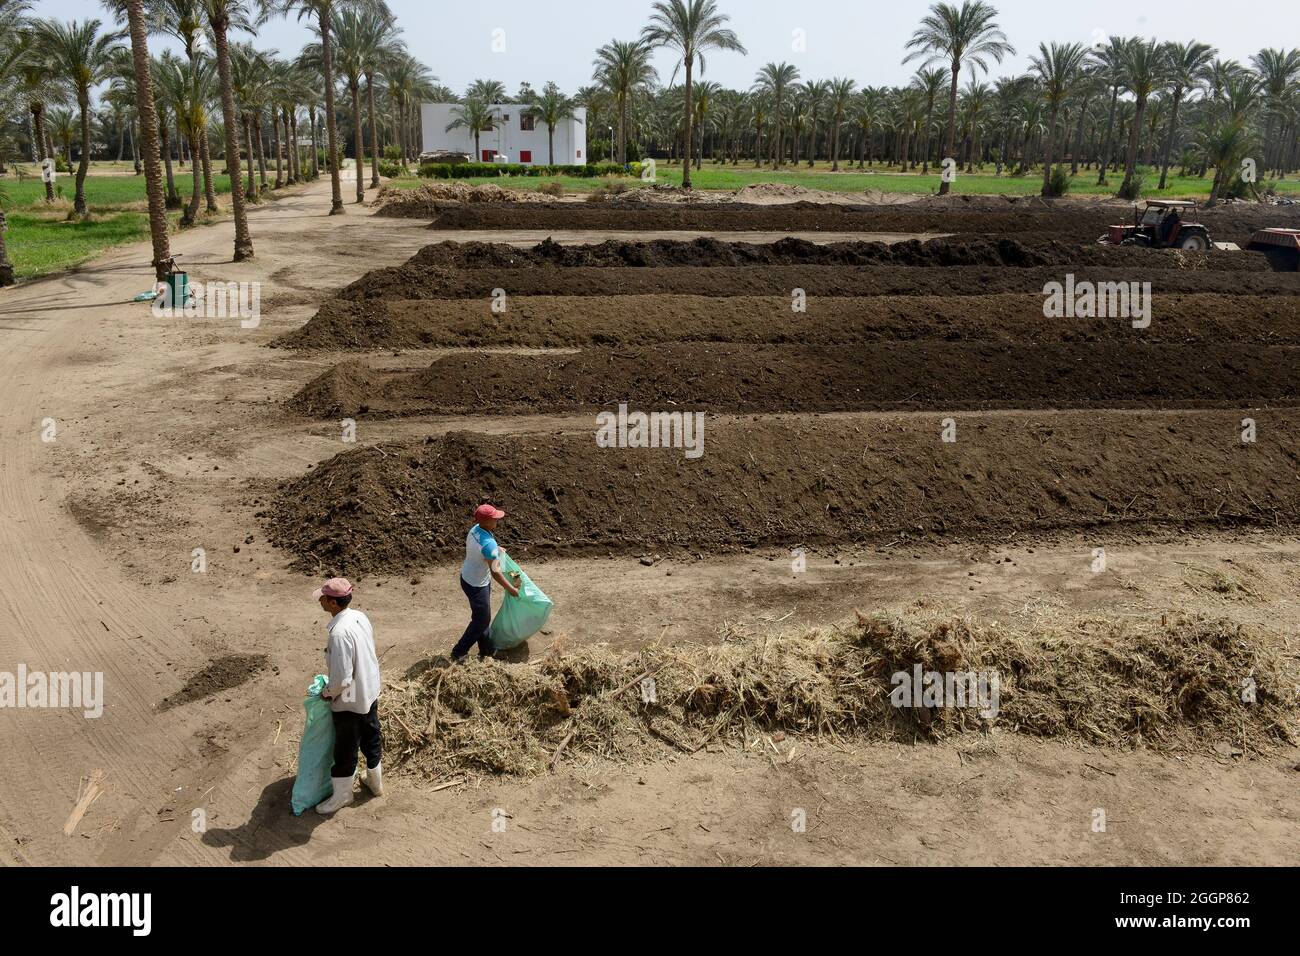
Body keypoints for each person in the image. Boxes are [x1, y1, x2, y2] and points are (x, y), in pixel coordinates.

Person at [313, 577, 384, 815]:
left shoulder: (339, 634)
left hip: (351, 701)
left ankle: (343, 795)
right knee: (371, 736)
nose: (320, 601)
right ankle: (375, 782)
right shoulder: (359, 617)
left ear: (333, 603)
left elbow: (342, 680)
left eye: (323, 598)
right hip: (370, 690)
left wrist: (327, 693)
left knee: (345, 747)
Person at [452, 504, 520, 662]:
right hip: (477, 585)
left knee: (482, 616)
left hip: (467, 577)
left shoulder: (476, 529)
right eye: (495, 517)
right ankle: (458, 652)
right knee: (481, 620)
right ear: (487, 521)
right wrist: (511, 589)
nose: (498, 519)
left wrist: (496, 549)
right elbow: (496, 572)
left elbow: (482, 547)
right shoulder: (488, 544)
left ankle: (487, 650)